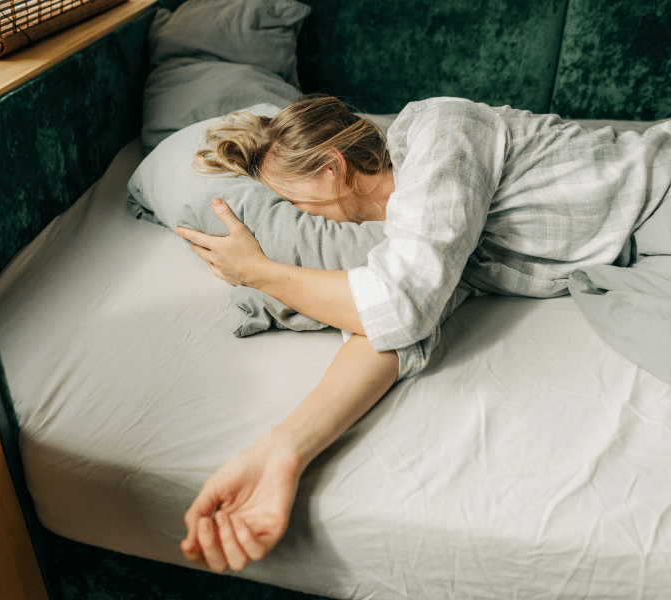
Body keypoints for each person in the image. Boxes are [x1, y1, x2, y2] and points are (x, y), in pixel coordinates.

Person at [175, 94, 671, 573]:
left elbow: (399, 305)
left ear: (333, 168)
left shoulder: (443, 130)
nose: (300, 214)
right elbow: (388, 333)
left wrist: (258, 273)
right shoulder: (414, 234)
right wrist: (282, 449)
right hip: (635, 260)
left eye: (294, 199)